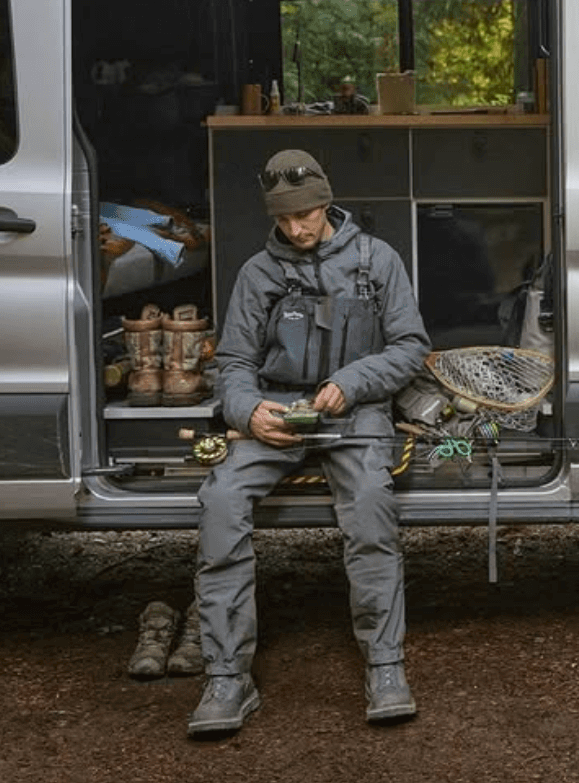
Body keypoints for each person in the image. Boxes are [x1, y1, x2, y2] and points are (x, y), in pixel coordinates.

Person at [188, 149, 429, 737]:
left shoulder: (378, 260)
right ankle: (226, 677)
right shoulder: (258, 274)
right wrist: (249, 409)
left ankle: (385, 665)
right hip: (276, 414)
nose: (296, 228)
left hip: (355, 413)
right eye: (284, 218)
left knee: (371, 510)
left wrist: (351, 383)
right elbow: (235, 363)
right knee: (220, 504)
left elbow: (410, 347)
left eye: (306, 214)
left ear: (326, 200)